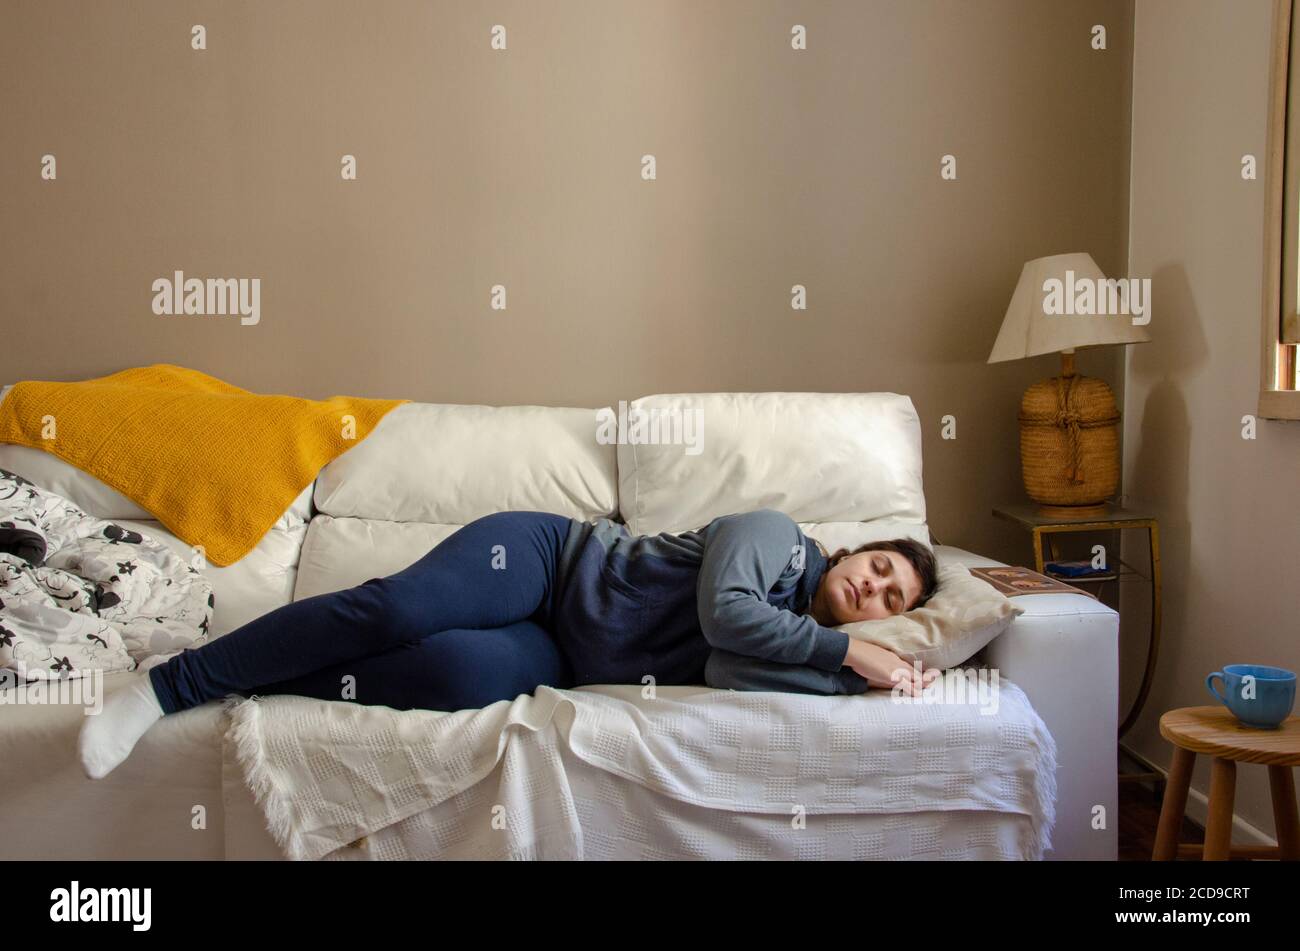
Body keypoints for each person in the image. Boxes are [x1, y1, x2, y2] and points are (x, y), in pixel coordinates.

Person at [77, 507, 939, 779]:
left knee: (448, 673)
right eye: (877, 566)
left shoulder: (804, 648)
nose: (873, 587)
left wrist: (843, 676)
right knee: (392, 612)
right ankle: (169, 684)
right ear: (850, 550)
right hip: (549, 563)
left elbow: (722, 667)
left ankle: (250, 681)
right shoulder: (777, 536)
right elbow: (723, 616)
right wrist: (848, 658)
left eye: (889, 600)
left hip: (566, 659)